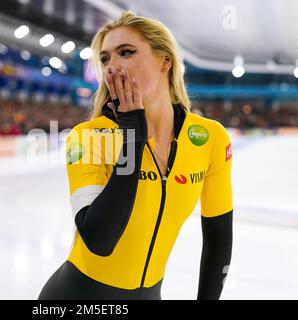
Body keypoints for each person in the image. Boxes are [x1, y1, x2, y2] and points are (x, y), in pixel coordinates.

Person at [38, 11, 233, 300]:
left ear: (165, 60)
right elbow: (99, 239)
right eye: (105, 59)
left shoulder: (210, 138)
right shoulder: (88, 137)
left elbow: (218, 239)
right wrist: (133, 137)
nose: (112, 67)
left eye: (126, 53)